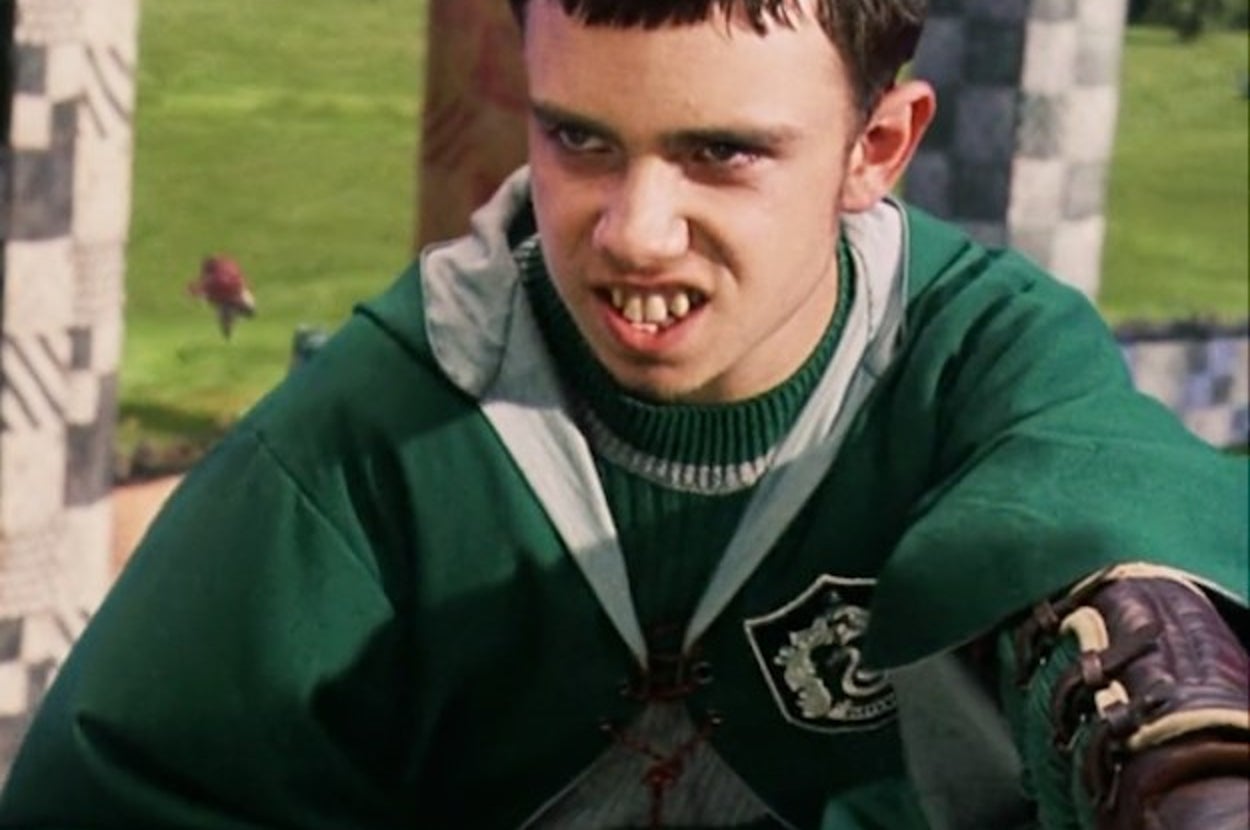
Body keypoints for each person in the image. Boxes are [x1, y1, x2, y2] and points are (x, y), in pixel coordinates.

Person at [1, 1, 1247, 827]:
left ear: (875, 145)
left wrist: (1183, 744)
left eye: (721, 153)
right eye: (579, 139)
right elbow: (118, 793)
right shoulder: (363, 444)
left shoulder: (973, 356)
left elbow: (1102, 492)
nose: (635, 232)